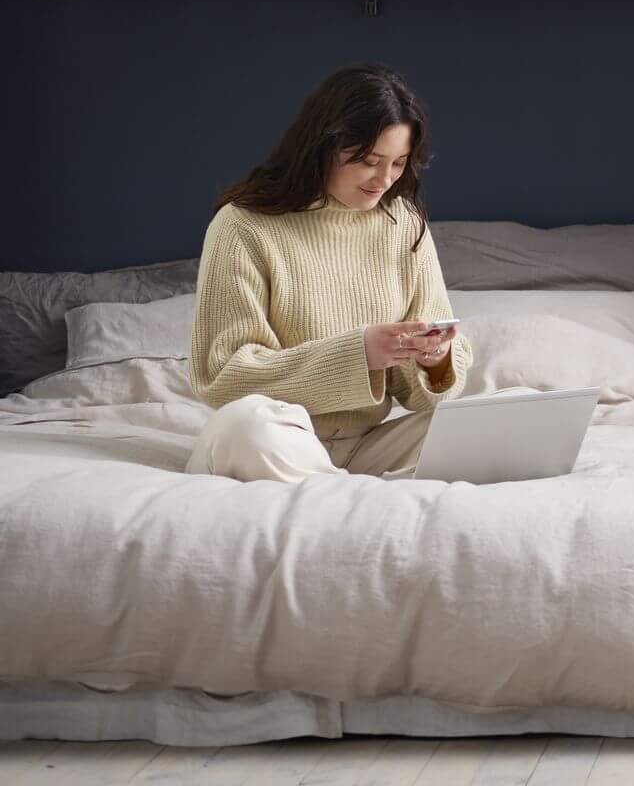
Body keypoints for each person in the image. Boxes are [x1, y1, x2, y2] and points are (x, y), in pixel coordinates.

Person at [185, 62, 469, 482]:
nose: (384, 180)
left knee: (518, 413)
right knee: (245, 430)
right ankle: (358, 497)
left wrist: (434, 360)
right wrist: (358, 354)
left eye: (398, 163)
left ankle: (335, 494)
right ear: (323, 145)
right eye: (370, 160)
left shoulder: (404, 224)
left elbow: (422, 399)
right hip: (279, 438)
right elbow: (224, 376)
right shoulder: (242, 226)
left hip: (372, 446)